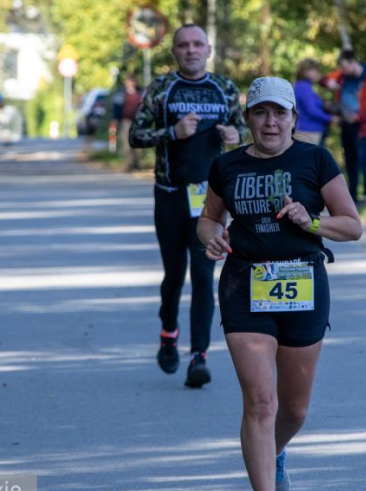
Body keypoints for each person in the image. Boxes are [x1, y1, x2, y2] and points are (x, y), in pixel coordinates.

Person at [197, 77, 362, 491]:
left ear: (293, 118)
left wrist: (311, 223)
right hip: (244, 286)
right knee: (260, 402)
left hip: (303, 286)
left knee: (294, 409)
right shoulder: (227, 165)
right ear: (248, 118)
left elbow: (352, 226)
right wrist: (212, 237)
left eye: (279, 113)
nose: (270, 122)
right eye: (261, 113)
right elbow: (208, 219)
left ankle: (275, 451)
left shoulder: (315, 159)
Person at [129, 24, 248, 388]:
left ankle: (199, 356)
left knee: (202, 274)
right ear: (175, 52)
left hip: (209, 198)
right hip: (169, 194)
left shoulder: (224, 88)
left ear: (208, 50)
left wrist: (236, 135)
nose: (191, 50)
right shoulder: (162, 88)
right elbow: (136, 135)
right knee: (173, 274)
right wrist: (173, 133)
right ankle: (168, 332)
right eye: (184, 45)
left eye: (198, 44)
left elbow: (246, 130)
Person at [320, 49, 366, 203]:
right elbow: (322, 79)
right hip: (346, 125)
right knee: (350, 162)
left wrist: (358, 117)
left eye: (345, 66)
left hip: (362, 128)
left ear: (353, 62)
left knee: (364, 161)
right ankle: (352, 196)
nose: (343, 70)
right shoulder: (342, 76)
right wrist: (328, 83)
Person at [293, 59, 334, 146]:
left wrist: (323, 105)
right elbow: (311, 110)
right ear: (305, 71)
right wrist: (330, 118)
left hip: (310, 131)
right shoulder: (303, 87)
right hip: (308, 131)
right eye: (313, 70)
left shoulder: (305, 85)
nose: (316, 72)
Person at [111, 74, 143, 170]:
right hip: (126, 121)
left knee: (138, 142)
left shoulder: (141, 92)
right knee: (127, 142)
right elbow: (117, 107)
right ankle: (129, 163)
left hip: (138, 121)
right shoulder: (121, 93)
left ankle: (137, 162)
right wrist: (116, 119)